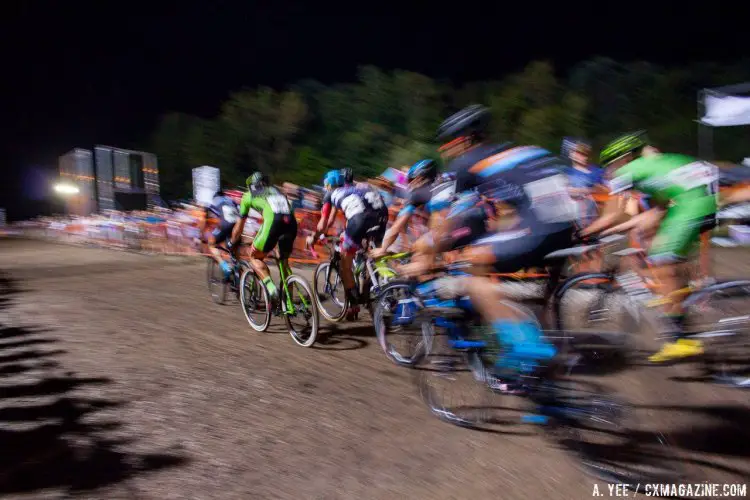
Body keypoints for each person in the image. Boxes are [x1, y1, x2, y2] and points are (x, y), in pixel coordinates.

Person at [403, 104, 579, 378]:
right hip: (566, 227)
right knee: (541, 300)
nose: (444, 151)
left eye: (446, 144)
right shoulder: (521, 151)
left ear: (463, 140)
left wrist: (428, 252)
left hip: (540, 227)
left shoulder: (467, 163)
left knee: (475, 272)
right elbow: (513, 208)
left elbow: (456, 218)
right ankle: (549, 381)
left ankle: (525, 347)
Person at [580, 131, 719, 363]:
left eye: (610, 166)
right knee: (666, 257)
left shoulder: (627, 172)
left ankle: (679, 339)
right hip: (700, 202)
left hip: (690, 207)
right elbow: (657, 212)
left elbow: (613, 214)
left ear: (622, 159)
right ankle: (682, 307)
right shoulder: (653, 168)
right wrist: (614, 231)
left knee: (660, 258)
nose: (609, 172)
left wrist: (582, 233)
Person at [307, 168, 387, 319]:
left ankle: (354, 304)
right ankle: (370, 287)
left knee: (345, 264)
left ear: (329, 185)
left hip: (360, 220)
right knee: (373, 255)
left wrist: (314, 237)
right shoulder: (356, 188)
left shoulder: (331, 194)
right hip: (381, 215)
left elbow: (325, 223)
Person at [230, 172, 297, 302]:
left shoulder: (248, 195)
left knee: (254, 256)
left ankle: (272, 289)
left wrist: (233, 242)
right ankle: (288, 303)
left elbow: (239, 227)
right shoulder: (276, 190)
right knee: (283, 262)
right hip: (291, 222)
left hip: (273, 222)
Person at [371, 159, 456, 259]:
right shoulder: (449, 177)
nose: (409, 184)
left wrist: (383, 249)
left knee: (418, 250)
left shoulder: (417, 194)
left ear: (420, 178)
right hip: (464, 224)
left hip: (448, 230)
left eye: (411, 180)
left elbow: (397, 226)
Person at [198, 189, 240, 279]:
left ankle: (225, 267)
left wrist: (201, 234)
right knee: (234, 251)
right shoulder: (231, 200)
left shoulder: (213, 201)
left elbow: (203, 220)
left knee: (211, 244)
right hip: (237, 226)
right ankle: (238, 274)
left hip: (226, 225)